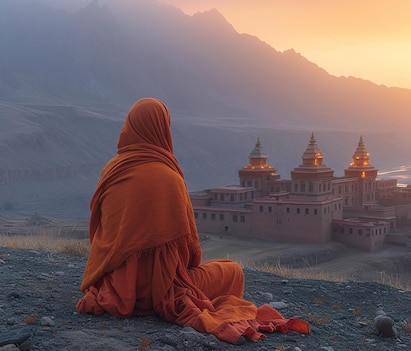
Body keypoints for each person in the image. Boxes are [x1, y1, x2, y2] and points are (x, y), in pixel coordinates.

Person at [76, 98, 309, 344]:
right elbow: (188, 253)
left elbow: (100, 231)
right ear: (162, 129)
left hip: (115, 285)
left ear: (129, 127)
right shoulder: (169, 178)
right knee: (232, 272)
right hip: (161, 290)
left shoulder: (111, 170)